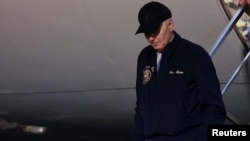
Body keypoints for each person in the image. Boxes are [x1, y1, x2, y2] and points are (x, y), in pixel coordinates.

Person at [130, 1, 226, 141]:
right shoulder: (144, 57)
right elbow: (141, 105)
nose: (151, 38)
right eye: (147, 33)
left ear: (170, 25)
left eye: (156, 31)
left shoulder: (194, 55)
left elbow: (214, 107)